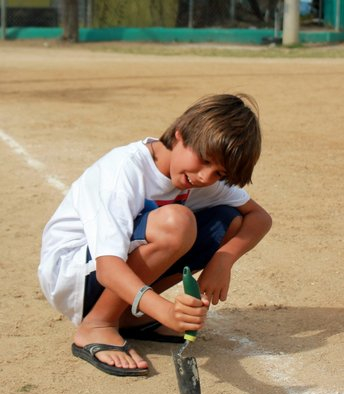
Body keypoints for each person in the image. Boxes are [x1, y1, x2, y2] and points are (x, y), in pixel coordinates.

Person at [38, 93, 272, 377]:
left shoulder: (197, 177)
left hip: (107, 276)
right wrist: (165, 311)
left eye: (218, 173)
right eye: (205, 160)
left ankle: (128, 319)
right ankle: (97, 325)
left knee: (229, 221)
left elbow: (259, 218)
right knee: (177, 222)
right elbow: (108, 268)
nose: (204, 177)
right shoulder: (125, 170)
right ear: (181, 134)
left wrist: (223, 259)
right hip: (72, 274)